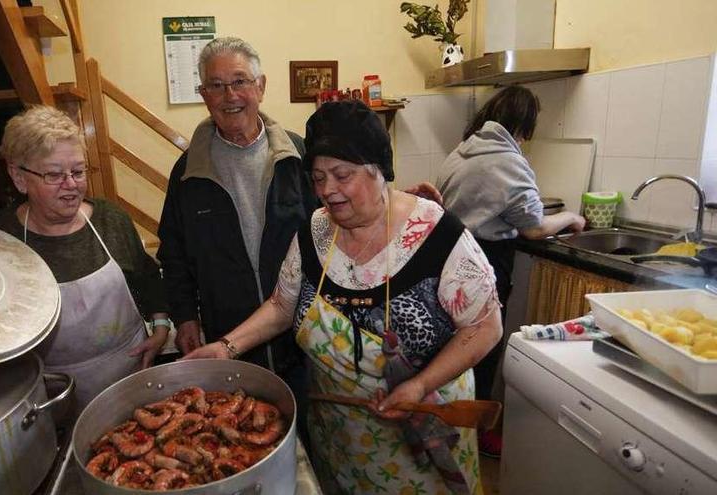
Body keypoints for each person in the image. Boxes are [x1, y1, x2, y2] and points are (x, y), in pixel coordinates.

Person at [184, 100, 503, 495]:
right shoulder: (316, 231)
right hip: (339, 431)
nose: (327, 191)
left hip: (421, 428)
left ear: (378, 170)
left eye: (341, 175)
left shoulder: (436, 235)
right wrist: (226, 347)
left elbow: (485, 326)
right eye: (318, 178)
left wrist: (420, 386)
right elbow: (283, 305)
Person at [157, 36, 315, 395]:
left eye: (240, 81)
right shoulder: (187, 173)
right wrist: (184, 317)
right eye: (216, 85)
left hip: (303, 339)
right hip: (228, 343)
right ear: (203, 94)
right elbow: (174, 253)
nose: (230, 96)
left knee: (307, 434)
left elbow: (331, 226)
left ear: (260, 86)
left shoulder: (298, 155)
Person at [0, 105, 169, 417]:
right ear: (19, 177)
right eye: (54, 174)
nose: (71, 185)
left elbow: (147, 277)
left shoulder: (111, 220)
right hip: (51, 394)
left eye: (78, 171)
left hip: (129, 376)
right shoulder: (0, 240)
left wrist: (162, 326)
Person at [436, 86, 585, 455]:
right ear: (523, 125)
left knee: (456, 347)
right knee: (483, 348)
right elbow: (534, 227)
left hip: (448, 260)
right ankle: (478, 432)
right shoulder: (508, 159)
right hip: (486, 260)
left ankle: (451, 425)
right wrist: (571, 217)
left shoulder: (460, 152)